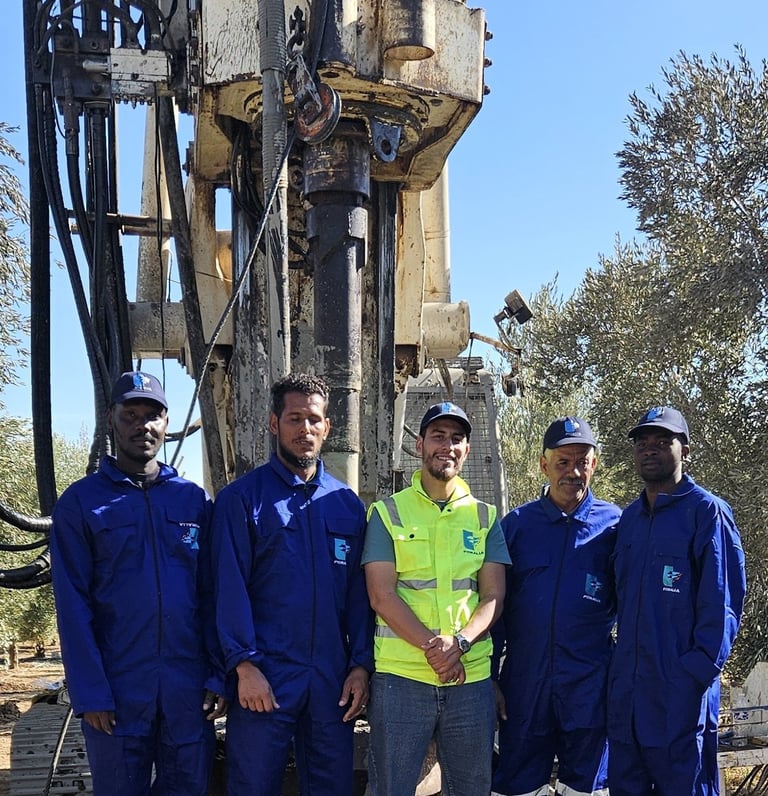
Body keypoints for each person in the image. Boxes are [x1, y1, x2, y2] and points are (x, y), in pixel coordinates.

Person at [50, 371, 226, 796]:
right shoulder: (81, 503)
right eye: (130, 415)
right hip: (117, 689)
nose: (142, 425)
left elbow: (212, 594)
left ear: (166, 423)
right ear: (110, 419)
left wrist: (218, 675)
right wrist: (90, 692)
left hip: (186, 689)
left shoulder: (192, 500)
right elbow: (72, 606)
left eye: (152, 415)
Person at [211, 373, 373, 796]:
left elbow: (360, 595)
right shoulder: (242, 500)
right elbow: (228, 589)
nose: (305, 429)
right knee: (253, 786)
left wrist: (360, 665)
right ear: (273, 423)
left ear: (327, 427)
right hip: (265, 675)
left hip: (331, 679)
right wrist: (244, 666)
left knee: (332, 787)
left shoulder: (346, 505)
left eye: (314, 419)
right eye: (294, 418)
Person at [363, 401, 510, 796]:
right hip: (401, 679)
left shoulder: (485, 517)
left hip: (470, 680)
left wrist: (459, 645)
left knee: (470, 789)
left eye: (457, 438)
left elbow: (493, 595)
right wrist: (437, 649)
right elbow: (381, 595)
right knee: (391, 789)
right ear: (419, 445)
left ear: (467, 450)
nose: (447, 446)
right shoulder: (387, 513)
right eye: (438, 436)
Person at [607, 406, 747, 796]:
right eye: (642, 443)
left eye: (662, 441)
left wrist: (691, 678)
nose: (650, 449)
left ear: (684, 450)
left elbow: (723, 606)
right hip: (628, 697)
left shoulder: (707, 513)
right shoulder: (629, 520)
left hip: (679, 697)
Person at [491, 416, 621, 796]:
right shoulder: (516, 526)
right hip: (524, 686)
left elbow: (634, 608)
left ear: (594, 464)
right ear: (543, 465)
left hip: (590, 687)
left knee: (587, 788)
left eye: (582, 462)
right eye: (563, 462)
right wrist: (491, 677)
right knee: (516, 785)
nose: (573, 472)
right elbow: (494, 608)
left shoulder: (615, 526)